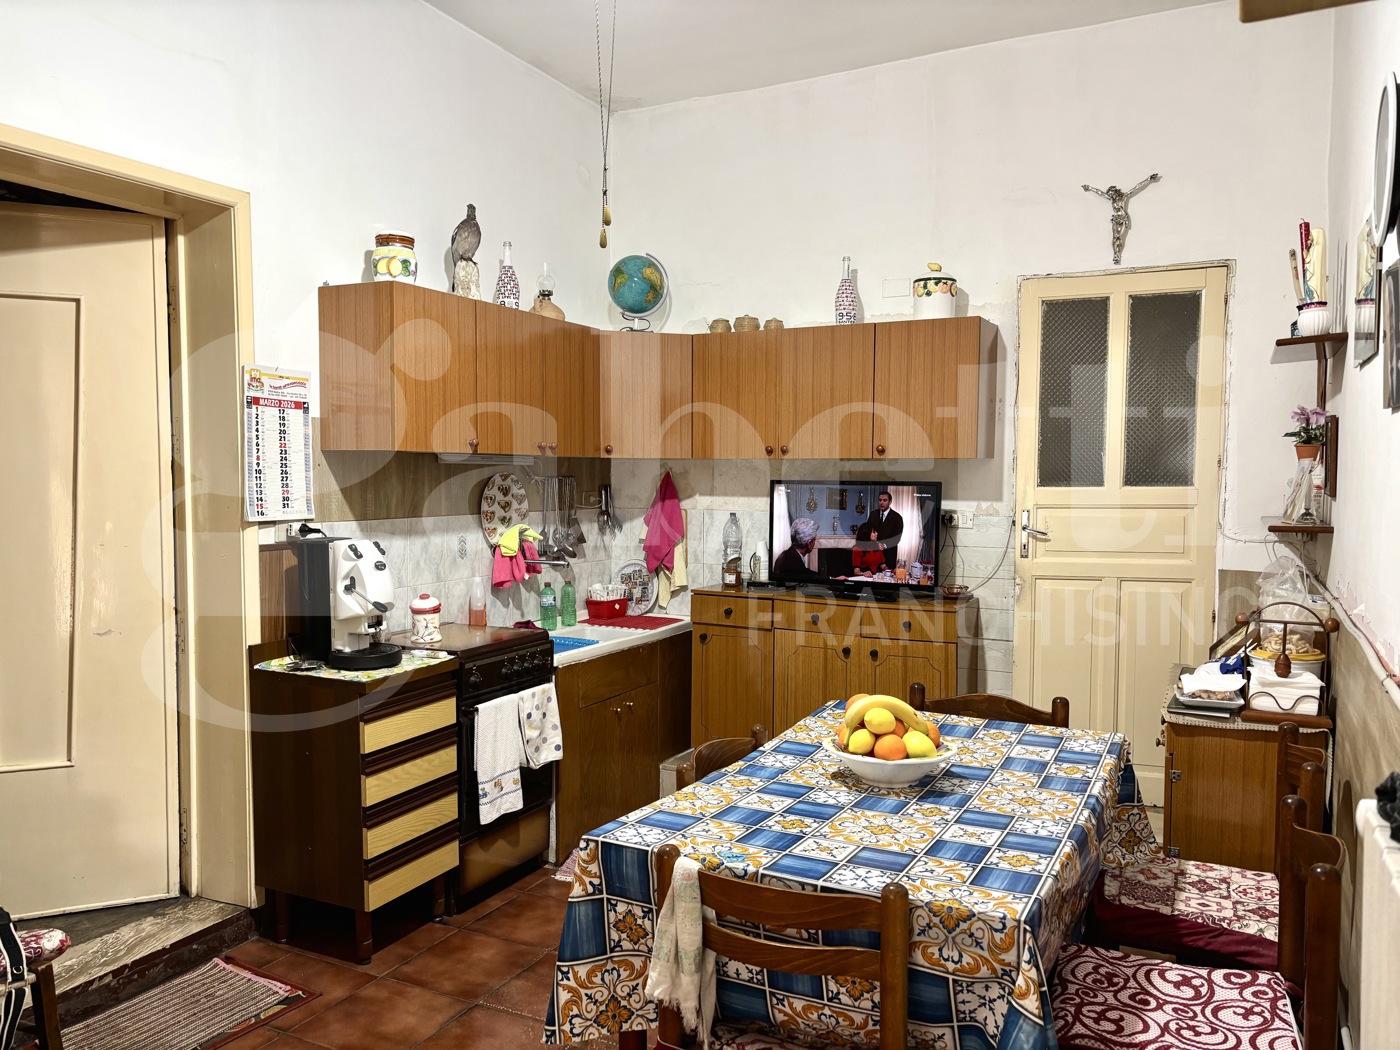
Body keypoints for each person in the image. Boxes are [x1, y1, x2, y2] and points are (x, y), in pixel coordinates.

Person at [865, 491, 903, 569]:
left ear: (890, 502)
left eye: (884, 500)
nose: (881, 502)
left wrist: (884, 545)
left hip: (888, 556)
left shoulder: (897, 517)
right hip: (873, 555)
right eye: (880, 500)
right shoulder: (873, 514)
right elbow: (867, 532)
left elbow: (897, 538)